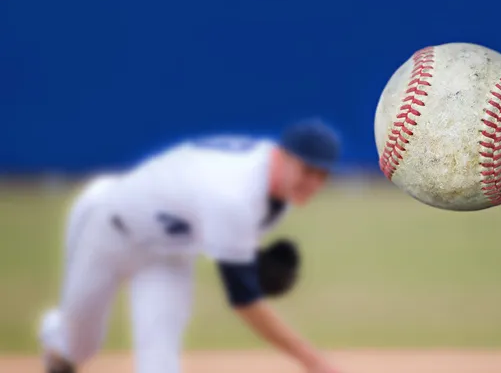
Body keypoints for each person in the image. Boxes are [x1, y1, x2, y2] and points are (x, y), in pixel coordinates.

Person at [38, 119, 344, 373]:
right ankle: (57, 330)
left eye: (322, 175)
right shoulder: (235, 193)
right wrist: (313, 361)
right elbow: (243, 299)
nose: (314, 183)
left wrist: (252, 262)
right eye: (308, 170)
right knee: (80, 346)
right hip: (108, 228)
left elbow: (225, 237)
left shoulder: (278, 190)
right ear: (282, 156)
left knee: (160, 364)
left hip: (168, 258)